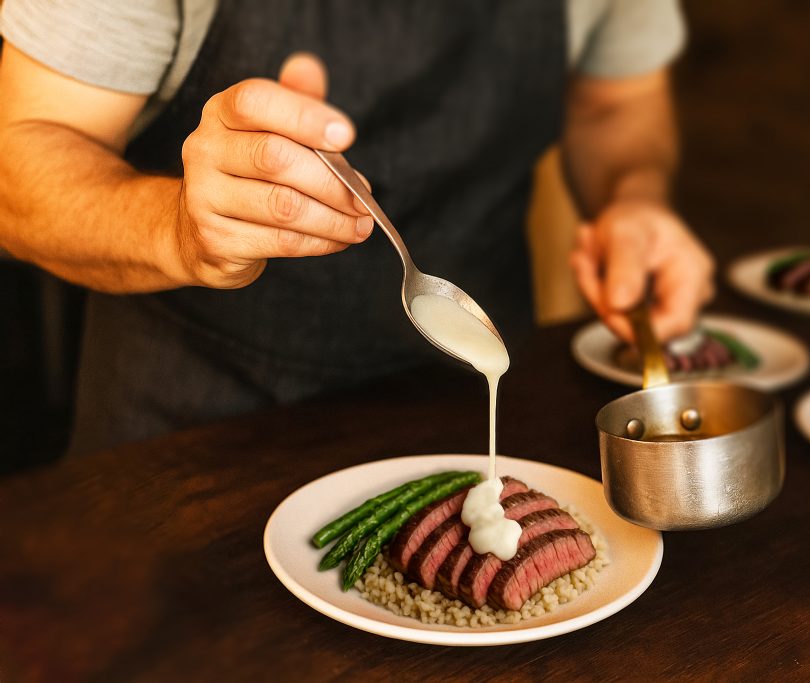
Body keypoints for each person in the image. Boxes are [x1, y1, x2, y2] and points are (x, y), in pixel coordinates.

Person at [0, 0, 715, 454]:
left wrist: (634, 195)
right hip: (193, 436)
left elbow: (615, 103)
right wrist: (178, 229)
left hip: (479, 414)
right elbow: (20, 157)